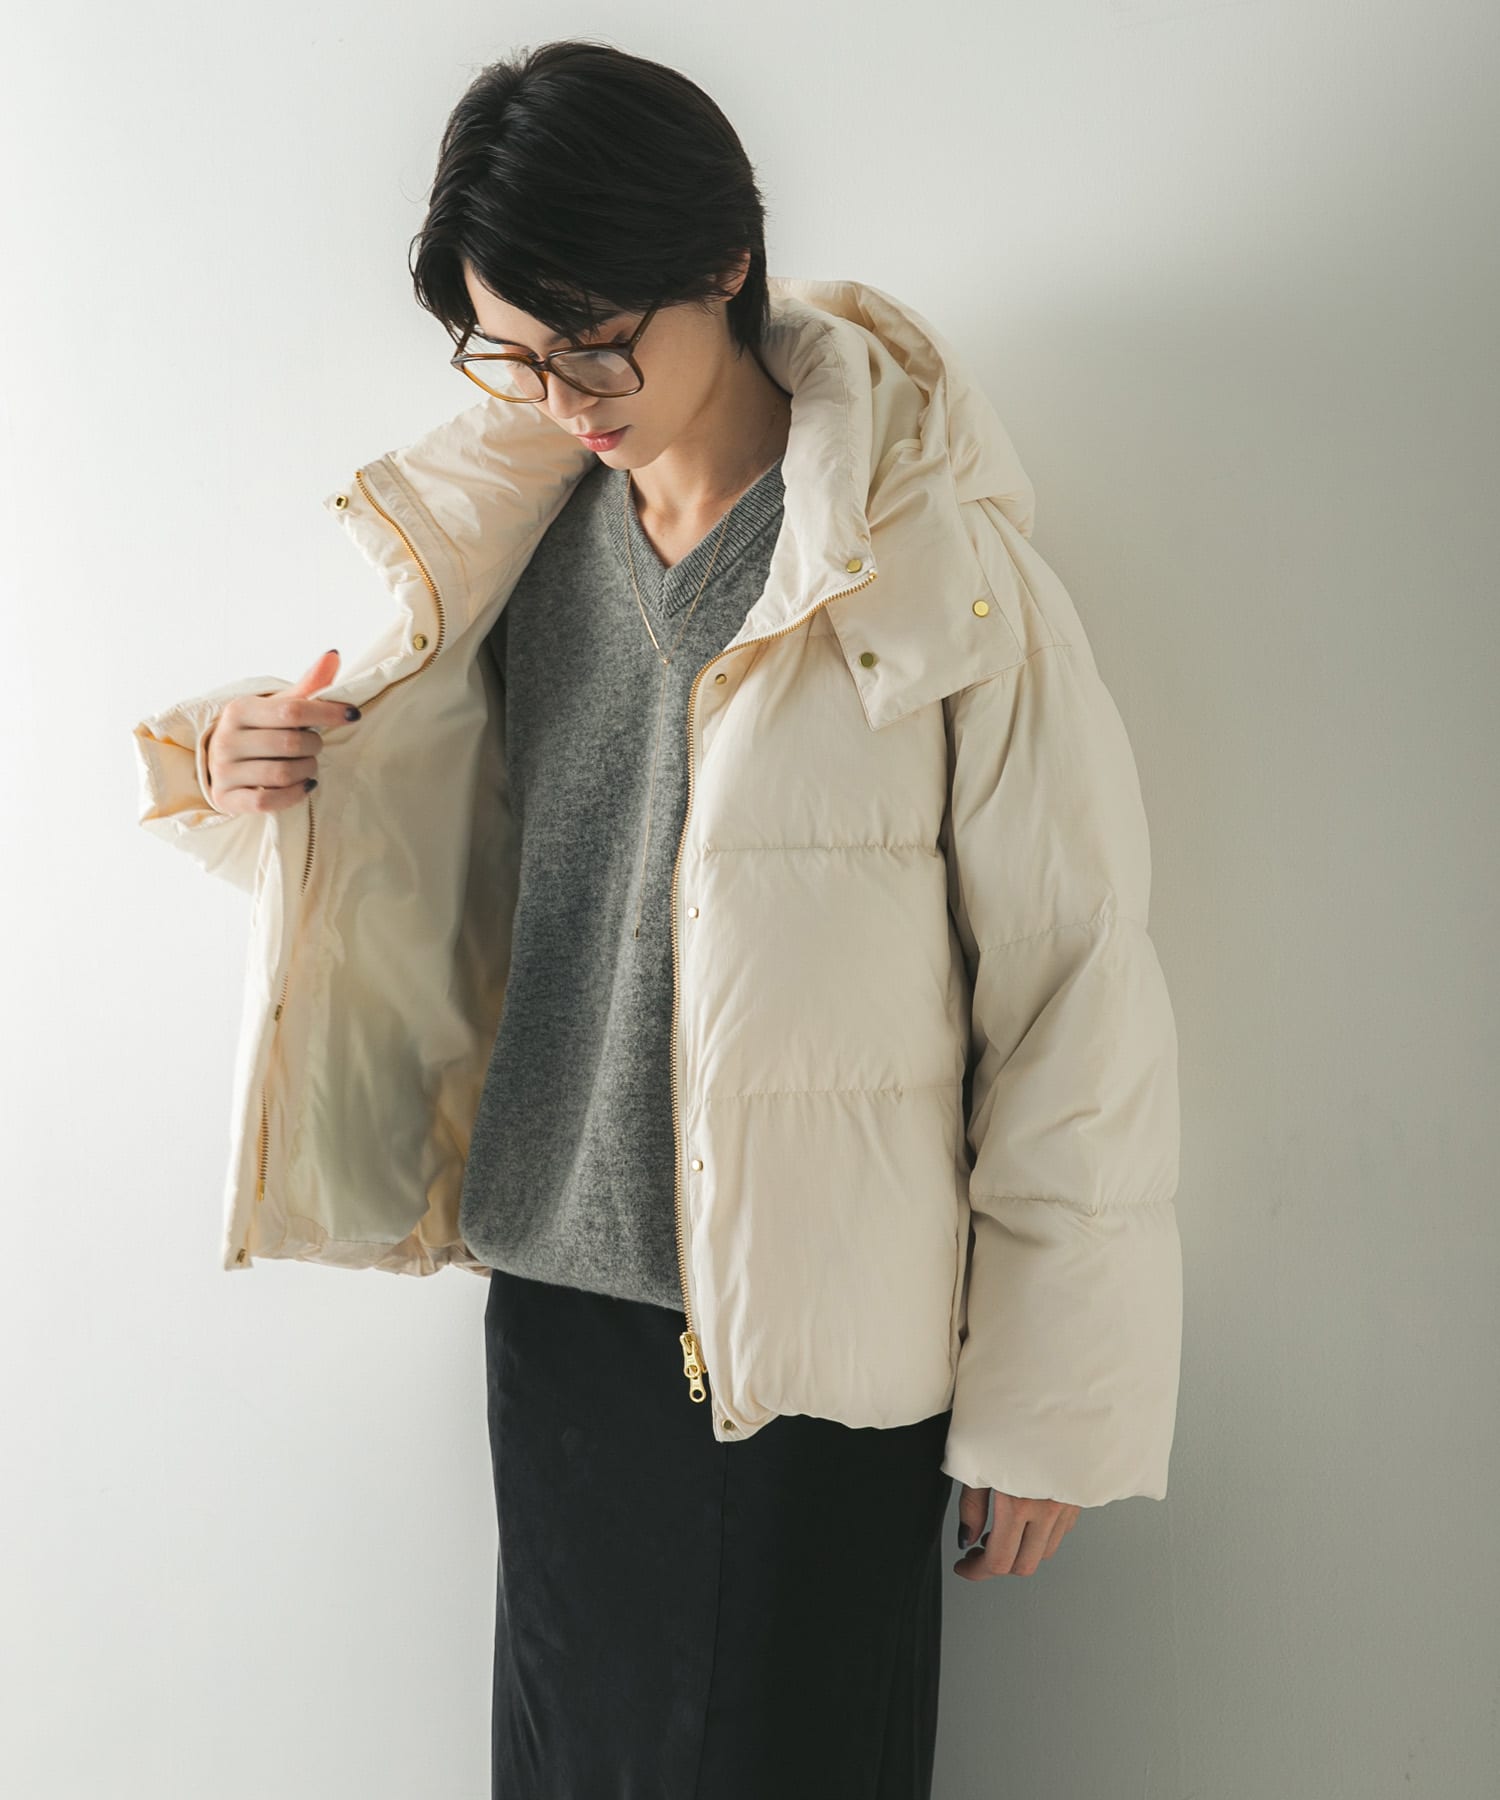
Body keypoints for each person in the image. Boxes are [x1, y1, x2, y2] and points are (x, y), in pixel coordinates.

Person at [132, 38, 1183, 1800]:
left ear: (726, 260)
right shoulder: (518, 548)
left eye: (595, 343)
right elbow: (435, 866)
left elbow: (1074, 981)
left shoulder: (931, 571)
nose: (562, 398)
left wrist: (1052, 1402)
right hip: (557, 1308)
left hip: (810, 1346)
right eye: (512, 355)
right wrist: (252, 767)